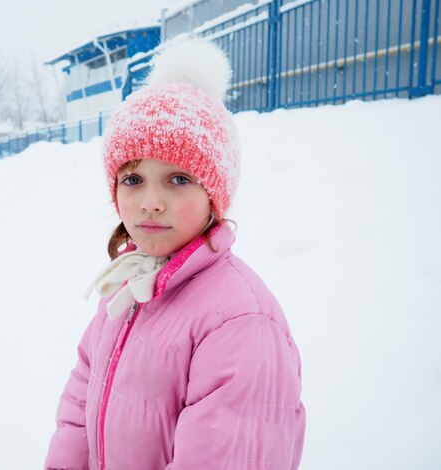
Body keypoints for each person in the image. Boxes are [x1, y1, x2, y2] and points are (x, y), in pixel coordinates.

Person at [45, 37, 305, 470]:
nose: (150, 201)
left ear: (214, 194)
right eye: (133, 180)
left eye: (178, 179)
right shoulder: (128, 287)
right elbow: (82, 394)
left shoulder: (238, 321)